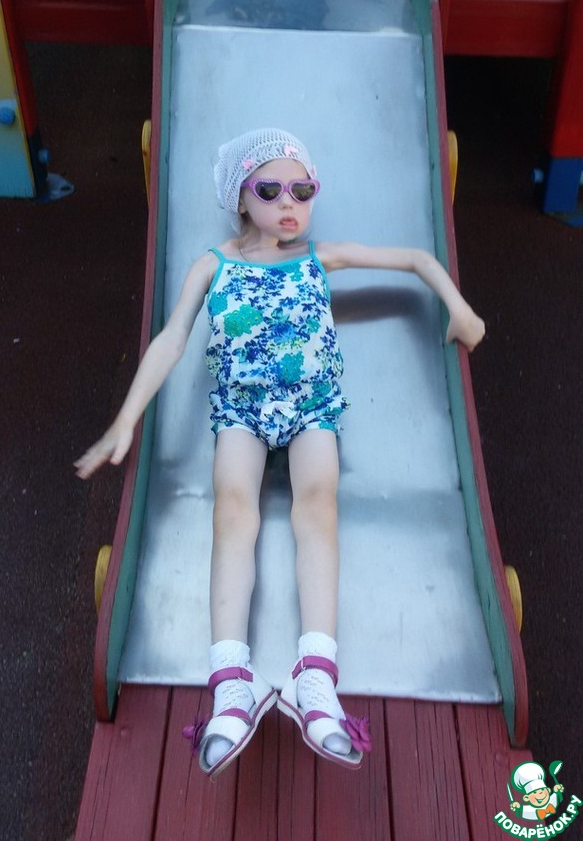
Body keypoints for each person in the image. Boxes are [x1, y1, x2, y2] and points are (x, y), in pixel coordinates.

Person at [75, 128, 485, 777]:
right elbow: (171, 339)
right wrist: (126, 418)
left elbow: (413, 258)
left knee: (317, 508)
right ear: (240, 199)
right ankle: (230, 681)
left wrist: (459, 307)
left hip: (312, 405)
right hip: (240, 409)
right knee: (233, 513)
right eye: (270, 190)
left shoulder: (319, 256)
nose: (289, 202)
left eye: (303, 189)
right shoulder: (213, 265)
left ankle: (314, 675)